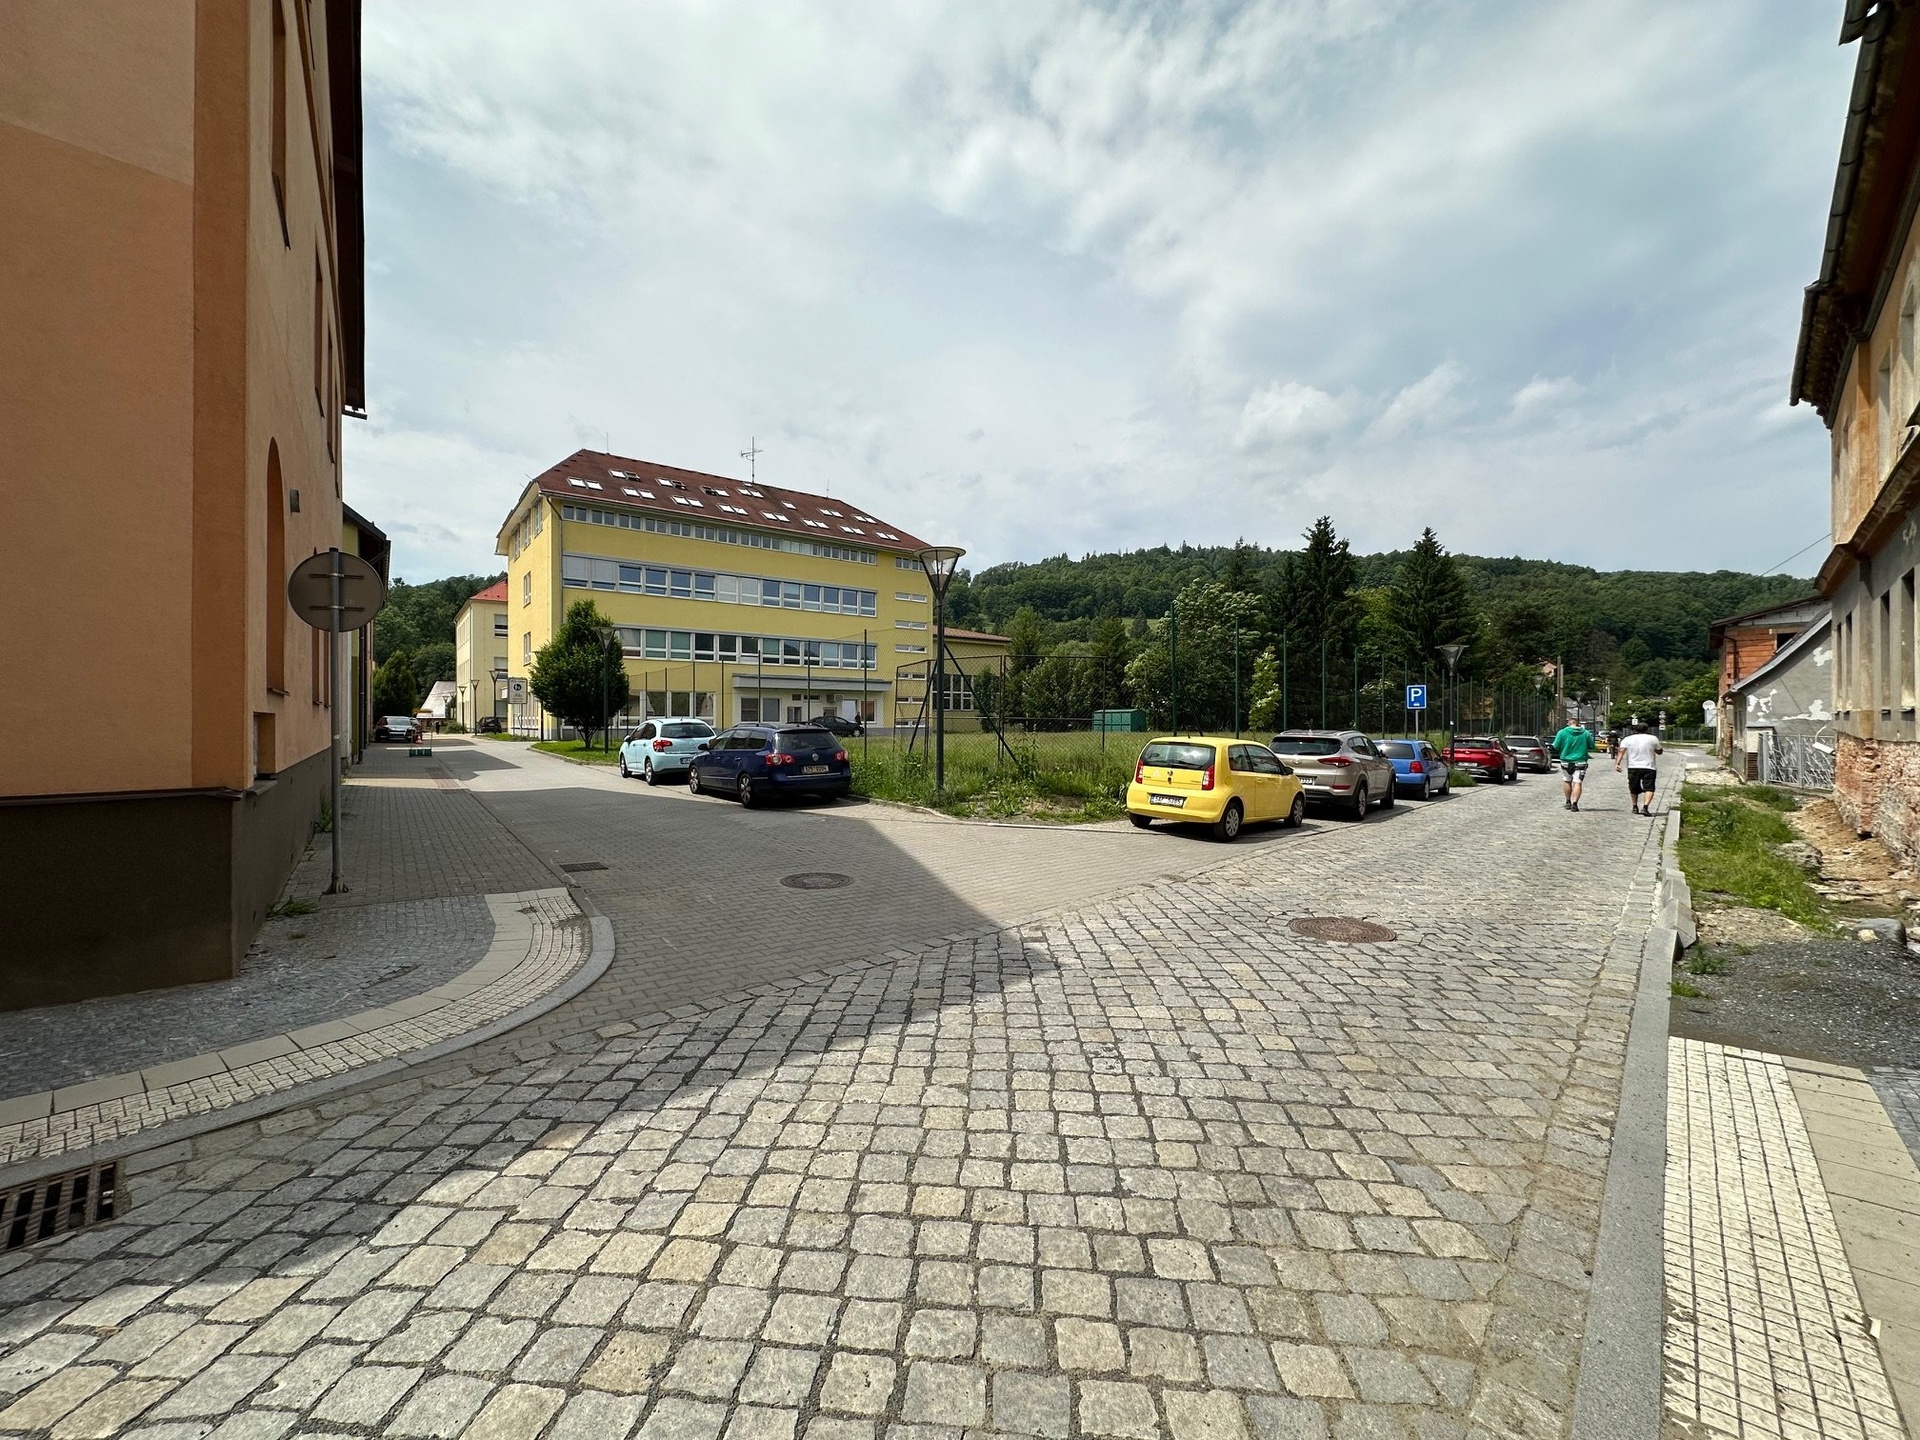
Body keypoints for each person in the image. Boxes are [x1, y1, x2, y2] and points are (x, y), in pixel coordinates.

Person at [1616, 721, 1663, 816]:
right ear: (1647, 729)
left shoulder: (1627, 739)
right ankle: (1645, 807)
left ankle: (1635, 806)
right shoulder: (1653, 738)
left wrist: (1617, 763)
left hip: (1633, 766)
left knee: (1633, 787)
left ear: (1635, 729)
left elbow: (1621, 751)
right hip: (1649, 766)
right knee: (1649, 787)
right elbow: (1659, 751)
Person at [1551, 718, 1595, 811]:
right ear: (1577, 724)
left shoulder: (1562, 732)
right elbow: (1591, 746)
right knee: (1578, 782)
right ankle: (1575, 804)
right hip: (1581, 761)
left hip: (1565, 761)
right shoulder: (1586, 733)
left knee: (1567, 780)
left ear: (1568, 724)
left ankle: (1568, 802)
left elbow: (1555, 746)